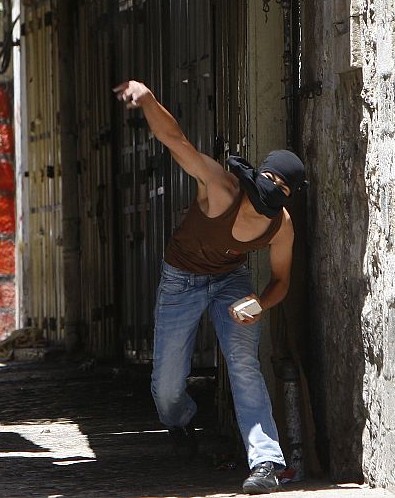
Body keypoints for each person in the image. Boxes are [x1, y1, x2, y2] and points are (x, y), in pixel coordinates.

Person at [113, 80, 307, 495]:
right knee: (166, 387)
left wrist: (259, 303)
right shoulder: (220, 187)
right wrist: (147, 98)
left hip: (231, 281)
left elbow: (281, 282)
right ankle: (180, 421)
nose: (264, 205)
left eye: (276, 198)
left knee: (243, 364)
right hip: (180, 279)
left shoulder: (281, 226)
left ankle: (266, 462)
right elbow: (175, 139)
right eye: (263, 191)